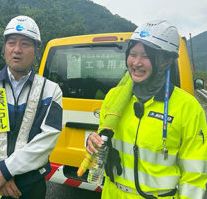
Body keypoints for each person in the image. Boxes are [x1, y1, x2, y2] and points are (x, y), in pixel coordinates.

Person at [86, 20, 207, 198]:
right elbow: (103, 137)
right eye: (132, 54)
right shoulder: (114, 96)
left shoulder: (187, 107)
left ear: (167, 60)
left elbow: (195, 175)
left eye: (146, 56)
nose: (136, 62)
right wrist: (94, 142)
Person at [0, 15, 63, 199]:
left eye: (25, 44)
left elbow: (47, 139)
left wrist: (6, 170)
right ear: (4, 48)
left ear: (37, 51)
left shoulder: (51, 90)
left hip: (31, 185)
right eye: (11, 43)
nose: (17, 50)